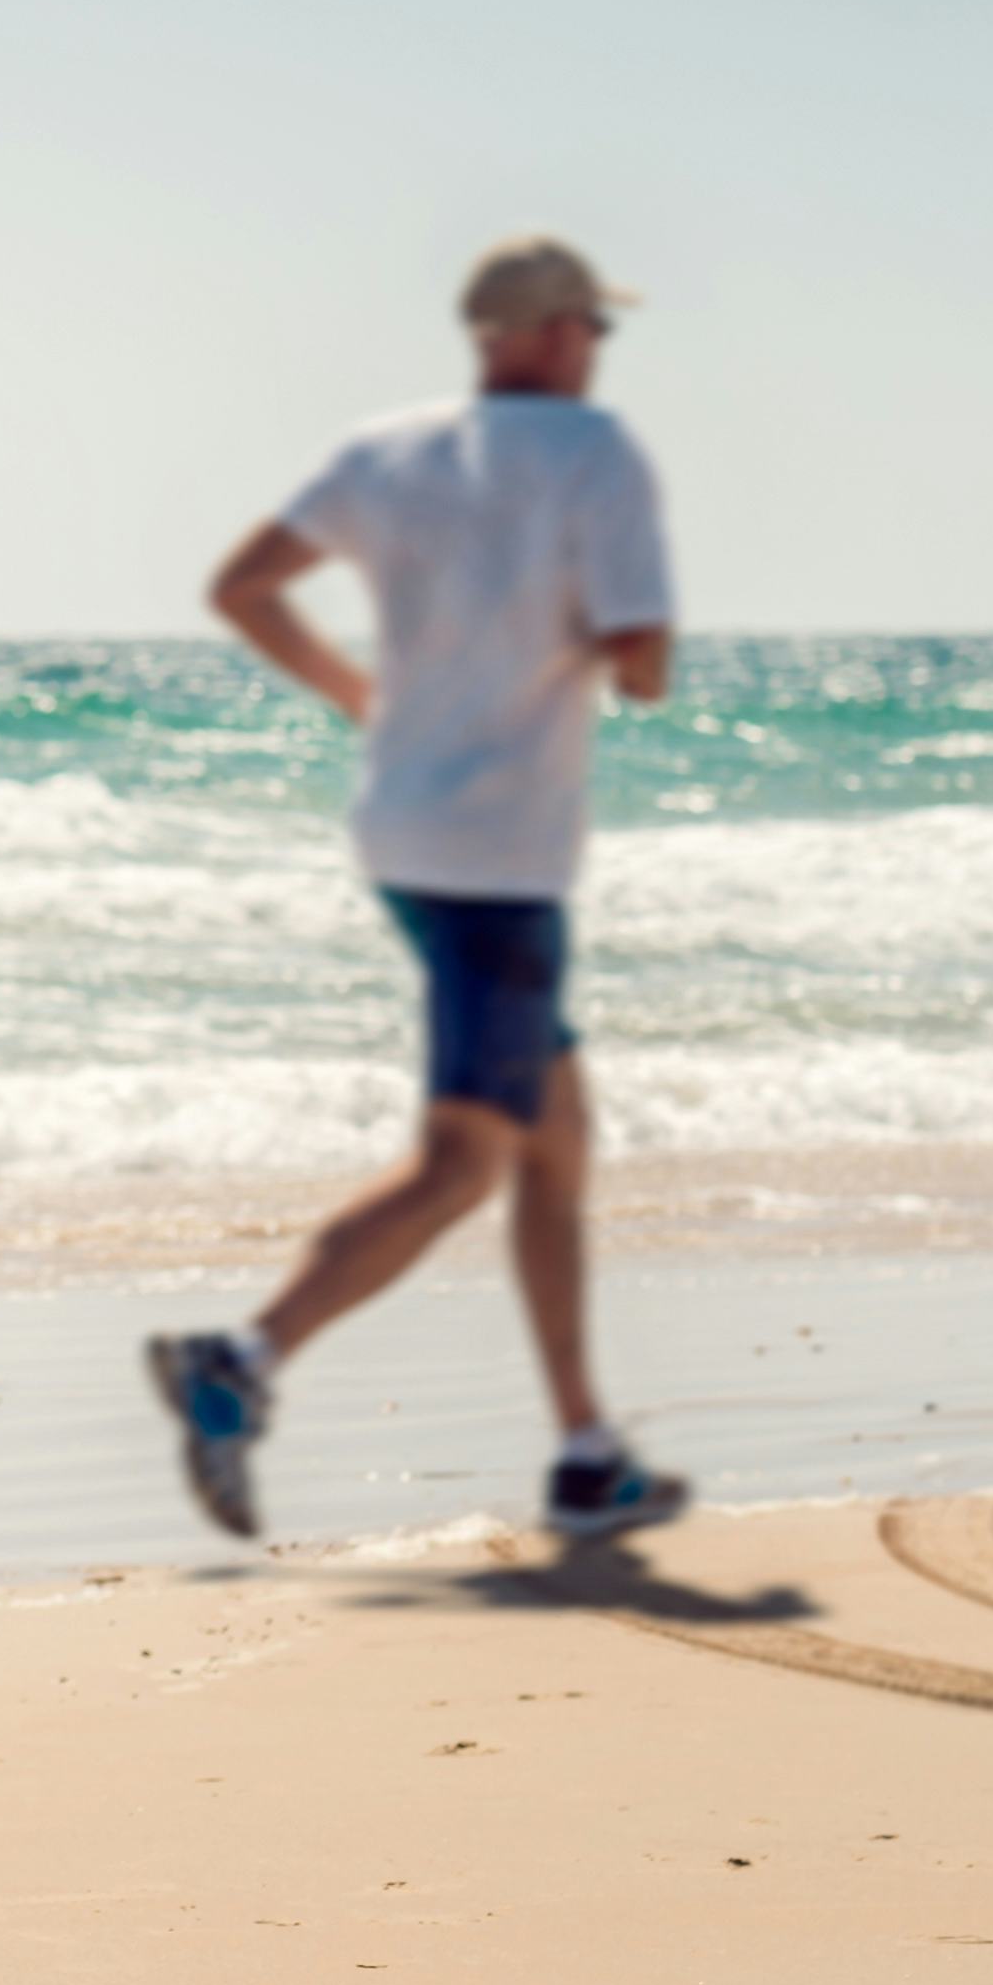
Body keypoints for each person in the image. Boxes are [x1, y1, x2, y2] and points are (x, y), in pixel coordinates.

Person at [148, 236, 687, 1546]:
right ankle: (245, 1357)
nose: (599, 353)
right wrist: (615, 651)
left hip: (403, 828)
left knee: (557, 1140)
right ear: (553, 332)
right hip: (501, 858)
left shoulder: (386, 450)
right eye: (595, 331)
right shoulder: (595, 455)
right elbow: (644, 661)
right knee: (466, 1160)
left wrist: (361, 697)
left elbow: (244, 587)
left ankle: (584, 1449)